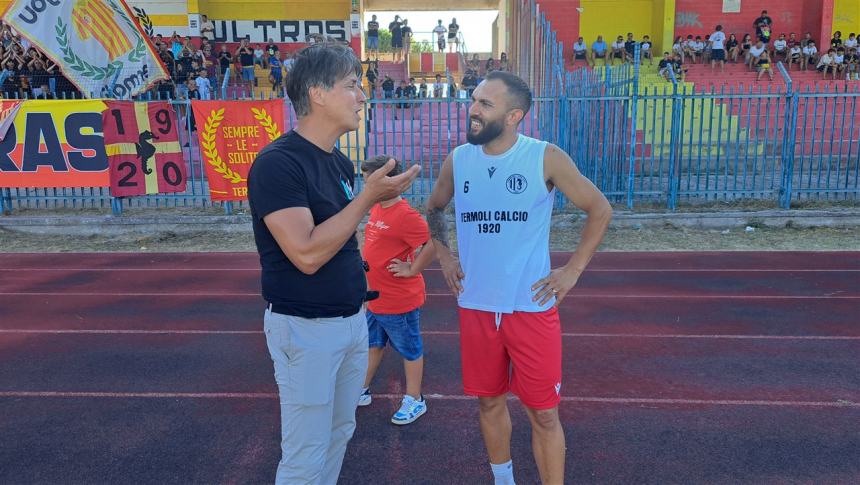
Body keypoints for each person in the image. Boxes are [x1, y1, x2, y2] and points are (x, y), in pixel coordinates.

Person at [425, 70, 612, 485]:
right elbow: (434, 208)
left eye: (485, 104)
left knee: (544, 413)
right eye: (473, 100)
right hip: (475, 305)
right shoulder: (459, 159)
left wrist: (572, 271)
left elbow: (599, 208)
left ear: (514, 116)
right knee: (489, 403)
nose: (472, 110)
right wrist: (445, 256)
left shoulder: (544, 157)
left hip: (529, 307)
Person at [247, 43, 421, 485]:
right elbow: (305, 254)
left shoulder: (339, 162)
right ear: (317, 93)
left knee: (340, 433)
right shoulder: (277, 163)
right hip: (306, 329)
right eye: (351, 86)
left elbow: (344, 236)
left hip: (350, 323)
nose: (362, 96)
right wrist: (368, 198)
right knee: (306, 452)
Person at [357, 155, 435, 425]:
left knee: (409, 348)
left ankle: (415, 399)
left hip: (399, 300)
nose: (367, 187)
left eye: (371, 181)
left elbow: (433, 243)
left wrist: (412, 270)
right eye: (366, 182)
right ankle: (361, 390)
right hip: (376, 297)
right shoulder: (377, 207)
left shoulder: (405, 216)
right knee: (372, 344)